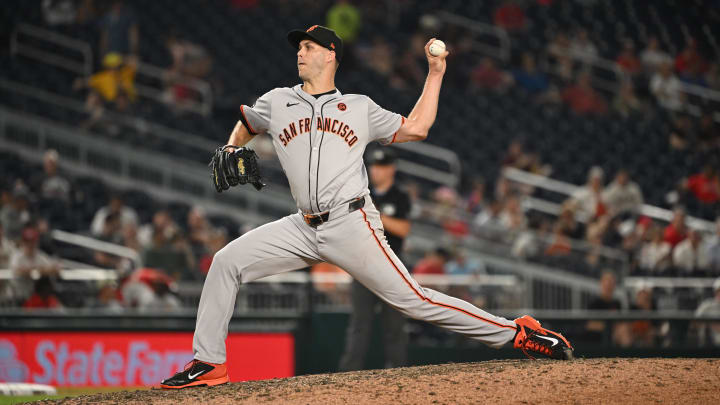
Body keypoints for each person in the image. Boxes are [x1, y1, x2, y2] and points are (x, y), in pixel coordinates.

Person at [160, 25, 573, 389]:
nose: (300, 53)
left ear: (330, 55)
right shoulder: (277, 100)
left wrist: (435, 74)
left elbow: (417, 128)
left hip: (351, 221)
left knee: (413, 300)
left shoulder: (359, 107)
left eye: (308, 46)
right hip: (302, 227)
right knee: (225, 262)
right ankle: (209, 363)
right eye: (299, 47)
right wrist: (233, 147)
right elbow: (248, 122)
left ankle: (516, 332)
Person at [339, 148, 411, 371]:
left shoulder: (399, 196)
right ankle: (349, 373)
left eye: (381, 166)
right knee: (359, 324)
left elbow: (403, 229)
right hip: (363, 264)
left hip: (392, 265)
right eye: (374, 166)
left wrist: (375, 214)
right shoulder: (361, 193)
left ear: (392, 169)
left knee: (394, 323)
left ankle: (398, 370)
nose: (376, 171)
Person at [695, 277, 720, 347]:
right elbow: (695, 322)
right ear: (716, 292)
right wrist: (710, 324)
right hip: (707, 344)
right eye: (719, 291)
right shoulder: (706, 305)